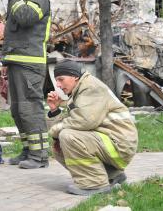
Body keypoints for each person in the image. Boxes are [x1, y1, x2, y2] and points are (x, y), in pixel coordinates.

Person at [47, 60, 138, 195]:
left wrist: (55, 132)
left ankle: (94, 184)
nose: (58, 85)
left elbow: (84, 121)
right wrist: (54, 110)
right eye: (56, 80)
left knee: (68, 136)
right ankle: (112, 174)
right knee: (60, 144)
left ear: (74, 77)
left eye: (61, 79)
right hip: (111, 142)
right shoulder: (79, 90)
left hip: (119, 144)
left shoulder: (91, 88)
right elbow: (71, 121)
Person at [2, 0, 52, 169]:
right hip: (16, 62)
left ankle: (39, 156)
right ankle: (28, 149)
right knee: (18, 110)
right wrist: (5, 60)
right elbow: (11, 35)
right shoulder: (20, 1)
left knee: (30, 109)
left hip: (30, 64)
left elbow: (25, 18)